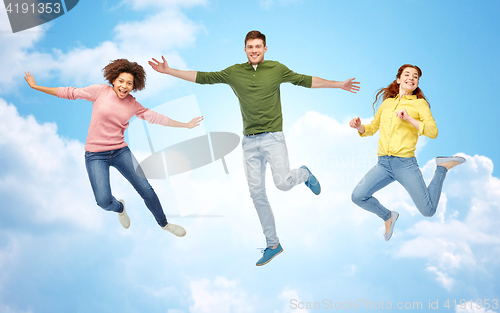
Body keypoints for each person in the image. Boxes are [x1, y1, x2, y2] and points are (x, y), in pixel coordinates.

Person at [149, 30, 360, 265]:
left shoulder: (276, 69)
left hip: (273, 138)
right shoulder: (234, 72)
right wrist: (169, 71)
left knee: (282, 183)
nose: (254, 50)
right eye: (250, 47)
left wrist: (339, 84)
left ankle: (305, 174)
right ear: (245, 49)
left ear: (265, 49)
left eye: (258, 46)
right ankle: (273, 244)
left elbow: (305, 80)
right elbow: (203, 77)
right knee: (257, 194)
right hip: (249, 142)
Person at [24, 59, 203, 237]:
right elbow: (69, 92)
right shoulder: (100, 91)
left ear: (135, 86)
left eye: (129, 83)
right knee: (103, 201)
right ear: (113, 80)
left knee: (146, 190)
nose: (124, 86)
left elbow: (156, 118)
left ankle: (164, 224)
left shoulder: (133, 104)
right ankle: (120, 208)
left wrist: (185, 125)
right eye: (121, 81)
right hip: (95, 155)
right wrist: (36, 87)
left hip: (120, 152)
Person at [349, 64, 465, 241]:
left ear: (417, 83)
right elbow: (372, 127)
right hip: (383, 164)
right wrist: (360, 127)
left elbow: (433, 132)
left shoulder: (420, 104)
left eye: (416, 76)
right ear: (398, 79)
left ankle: (441, 167)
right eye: (407, 74)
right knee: (358, 196)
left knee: (428, 211)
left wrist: (409, 118)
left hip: (405, 165)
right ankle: (388, 216)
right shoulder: (387, 104)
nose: (411, 77)